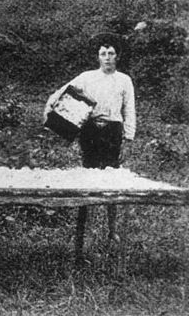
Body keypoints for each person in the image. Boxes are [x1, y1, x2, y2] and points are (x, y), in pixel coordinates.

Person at [44, 32, 136, 259]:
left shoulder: (124, 80)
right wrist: (49, 107)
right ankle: (83, 234)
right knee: (88, 178)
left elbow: (130, 110)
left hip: (113, 131)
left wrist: (129, 138)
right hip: (91, 131)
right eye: (103, 53)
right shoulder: (86, 77)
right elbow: (60, 93)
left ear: (117, 56)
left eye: (111, 53)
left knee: (112, 181)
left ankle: (112, 231)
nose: (107, 57)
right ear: (98, 56)